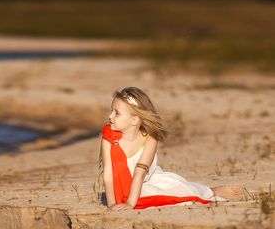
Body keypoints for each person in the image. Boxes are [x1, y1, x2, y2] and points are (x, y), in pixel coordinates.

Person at [100, 87, 243, 211]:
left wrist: (130, 204)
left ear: (135, 120)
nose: (110, 116)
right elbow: (107, 175)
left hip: (145, 182)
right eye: (111, 111)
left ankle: (212, 190)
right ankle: (210, 190)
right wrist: (112, 205)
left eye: (116, 113)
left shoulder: (150, 138)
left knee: (182, 192)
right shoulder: (109, 137)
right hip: (122, 190)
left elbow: (139, 174)